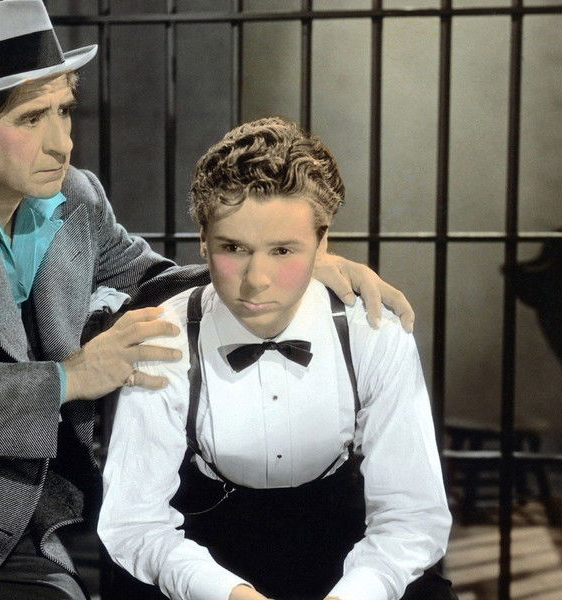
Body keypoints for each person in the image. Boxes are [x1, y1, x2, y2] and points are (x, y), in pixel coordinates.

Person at [0, 2, 414, 599]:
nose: (61, 143)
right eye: (30, 119)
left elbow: (153, 280)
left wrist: (287, 264)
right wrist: (69, 378)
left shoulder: (74, 196)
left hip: (43, 513)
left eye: (64, 110)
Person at [98, 117, 456, 600]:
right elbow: (134, 522)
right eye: (233, 248)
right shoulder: (164, 337)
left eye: (283, 250)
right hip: (202, 554)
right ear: (203, 240)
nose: (256, 280)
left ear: (322, 244)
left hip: (346, 550)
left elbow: (412, 515)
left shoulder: (373, 332)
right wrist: (228, 595)